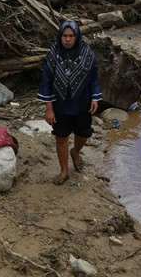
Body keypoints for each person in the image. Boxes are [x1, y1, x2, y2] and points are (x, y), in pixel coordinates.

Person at [38, 20, 102, 184]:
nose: (67, 39)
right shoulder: (53, 55)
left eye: (71, 36)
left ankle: (76, 151)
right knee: (61, 137)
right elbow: (46, 82)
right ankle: (64, 171)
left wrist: (95, 97)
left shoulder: (87, 54)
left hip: (82, 103)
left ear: (77, 36)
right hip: (60, 104)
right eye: (64, 36)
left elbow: (94, 77)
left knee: (83, 134)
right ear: (60, 37)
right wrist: (49, 108)